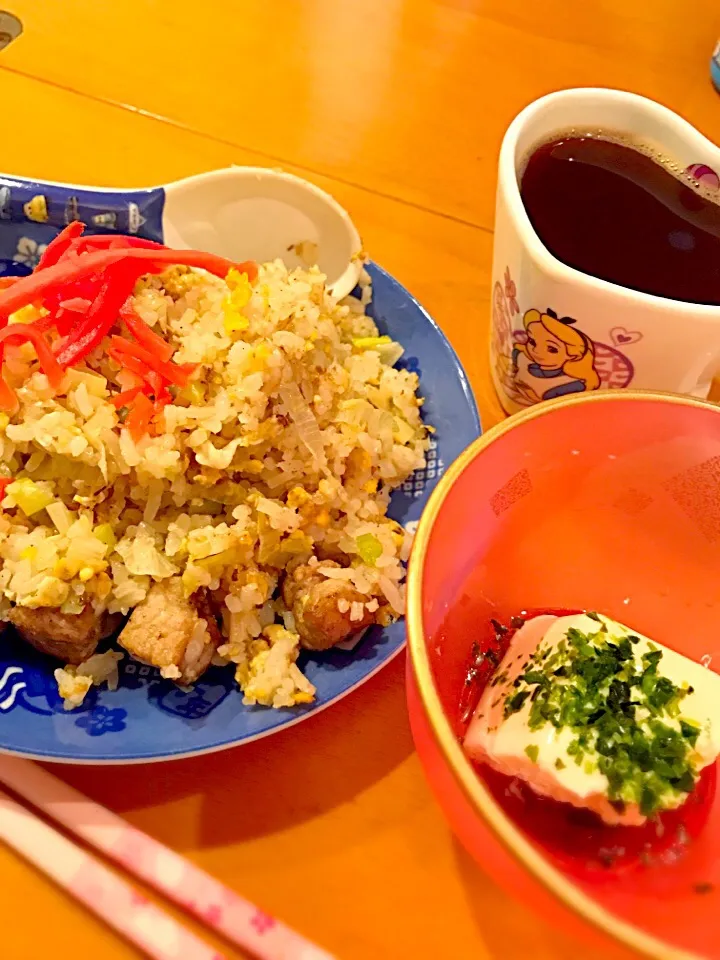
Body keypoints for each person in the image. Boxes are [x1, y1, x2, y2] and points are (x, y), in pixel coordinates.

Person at [509, 307, 600, 405]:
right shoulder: (520, 357)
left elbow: (562, 408)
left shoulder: (569, 383)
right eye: (532, 342)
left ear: (572, 356)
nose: (536, 350)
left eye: (552, 349)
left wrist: (535, 398)